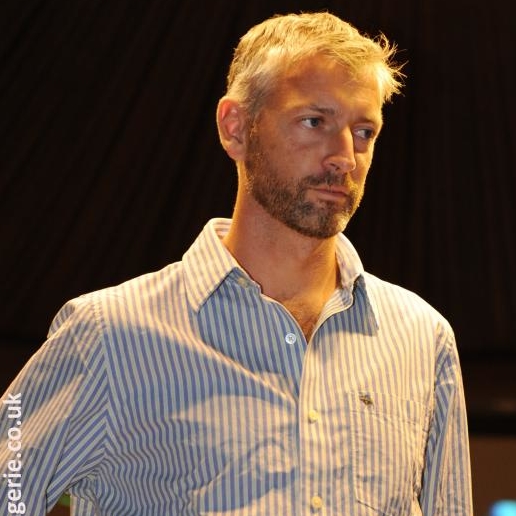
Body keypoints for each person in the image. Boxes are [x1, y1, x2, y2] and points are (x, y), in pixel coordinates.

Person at [0, 11, 472, 516]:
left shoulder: (423, 339)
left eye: (363, 131)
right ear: (236, 128)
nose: (344, 157)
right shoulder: (105, 334)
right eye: (315, 122)